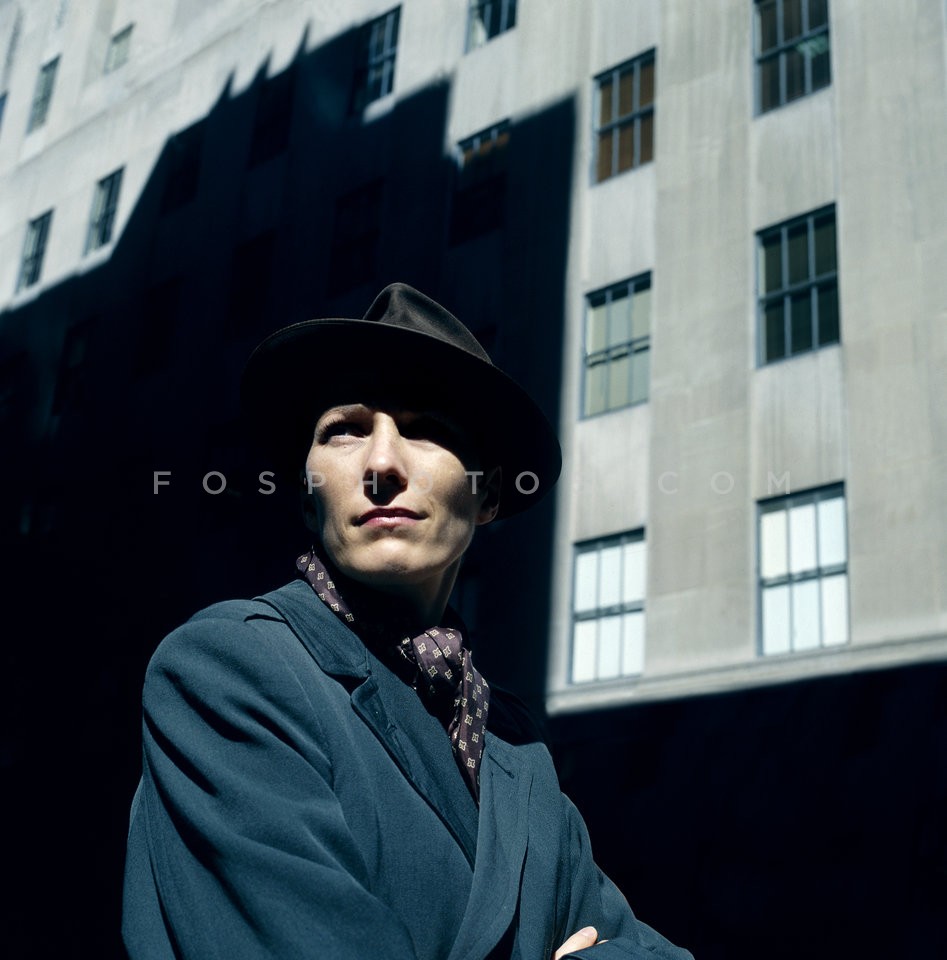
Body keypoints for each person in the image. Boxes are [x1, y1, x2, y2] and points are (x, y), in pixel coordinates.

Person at [122, 283, 694, 960]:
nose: (382, 463)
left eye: (426, 428)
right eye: (345, 430)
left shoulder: (512, 743)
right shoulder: (228, 668)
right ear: (307, 498)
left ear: (487, 494)